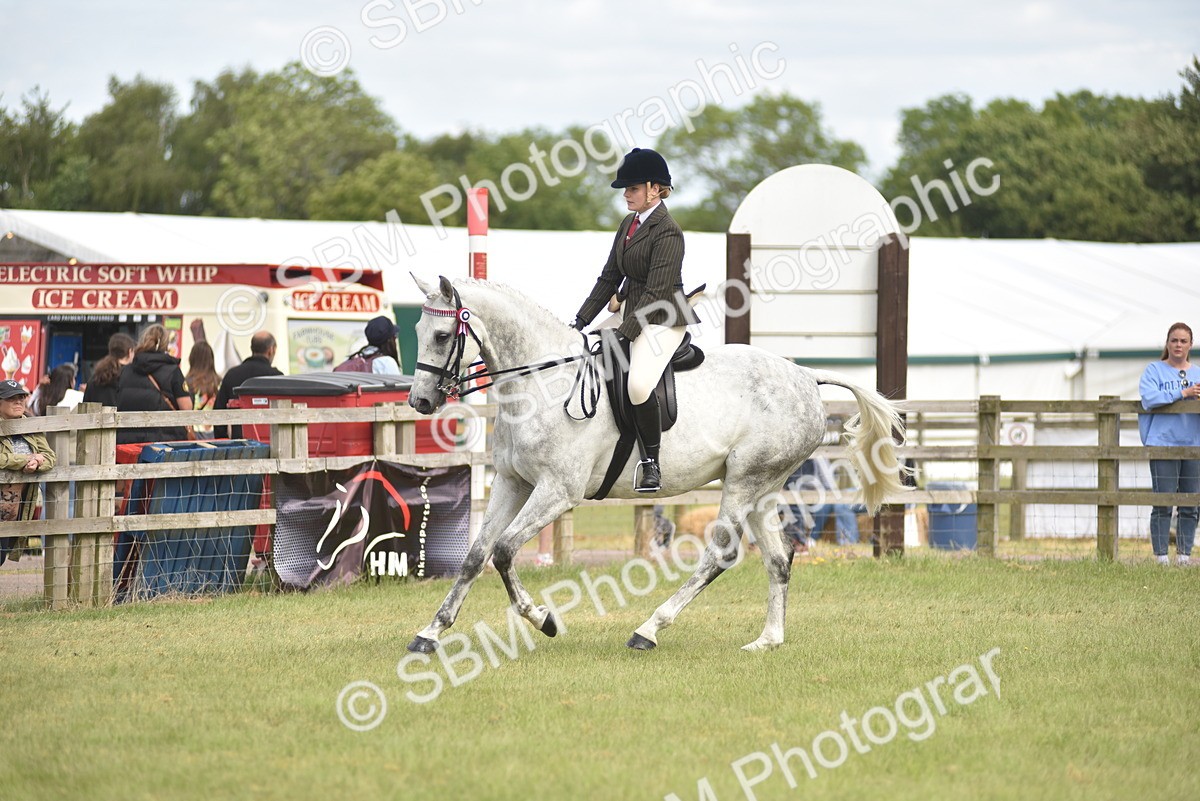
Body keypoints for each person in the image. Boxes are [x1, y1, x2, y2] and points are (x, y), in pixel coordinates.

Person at [570, 147, 700, 492]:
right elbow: (608, 278)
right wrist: (580, 322)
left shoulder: (669, 231)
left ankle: (651, 463)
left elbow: (656, 293)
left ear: (655, 189)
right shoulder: (628, 224)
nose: (626, 195)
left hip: (663, 318)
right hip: (631, 312)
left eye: (632, 189)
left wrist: (624, 334)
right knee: (581, 356)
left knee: (639, 385)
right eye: (625, 190)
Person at [1138, 322, 1200, 565]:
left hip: (1193, 445)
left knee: (1190, 503)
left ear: (1190, 345)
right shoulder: (1154, 371)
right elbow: (1149, 398)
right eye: (1174, 340)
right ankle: (1161, 556)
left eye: (1183, 341)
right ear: (1167, 343)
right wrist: (1182, 394)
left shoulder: (1197, 373)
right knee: (1163, 501)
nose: (1178, 345)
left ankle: (1184, 555)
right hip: (1162, 443)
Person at [0, 379, 56, 565]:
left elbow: (49, 456)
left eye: (21, 397)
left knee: (1, 555)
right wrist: (24, 460)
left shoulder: (30, 427)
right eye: (11, 398)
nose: (18, 401)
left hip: (13, 508)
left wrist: (37, 462)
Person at [116, 323, 193, 445]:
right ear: (165, 344)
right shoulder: (173, 371)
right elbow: (186, 407)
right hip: (164, 442)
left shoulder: (126, 370)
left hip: (128, 443)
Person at [213, 331, 282, 439]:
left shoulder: (232, 374)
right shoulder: (277, 377)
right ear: (271, 350)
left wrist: (224, 442)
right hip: (271, 443)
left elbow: (218, 412)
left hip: (239, 445)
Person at [82, 332, 135, 408]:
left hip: (97, 419)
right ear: (130, 352)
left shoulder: (96, 377)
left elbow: (86, 405)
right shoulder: (133, 377)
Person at [185, 341, 222, 440]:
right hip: (215, 434)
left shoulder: (188, 383)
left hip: (194, 434)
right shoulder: (219, 382)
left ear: (192, 359)